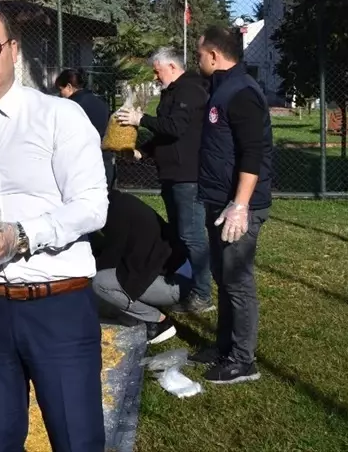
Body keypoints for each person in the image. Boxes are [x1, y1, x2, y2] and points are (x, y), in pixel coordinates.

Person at [0, 0, 109, 452]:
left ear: (12, 50)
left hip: (57, 304)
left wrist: (22, 235)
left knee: (77, 440)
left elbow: (92, 206)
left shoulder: (60, 117)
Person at [190, 25, 273, 385]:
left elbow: (252, 153)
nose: (197, 60)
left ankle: (243, 359)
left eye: (199, 54)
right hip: (216, 200)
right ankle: (225, 346)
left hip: (239, 206)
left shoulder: (241, 92)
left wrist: (240, 205)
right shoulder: (221, 89)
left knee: (237, 280)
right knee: (223, 277)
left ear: (213, 55)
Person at [114, 47, 213, 313]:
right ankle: (182, 282)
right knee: (179, 232)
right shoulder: (172, 92)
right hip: (172, 174)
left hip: (188, 175)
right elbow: (165, 134)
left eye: (157, 71)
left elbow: (176, 127)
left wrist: (140, 118)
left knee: (192, 235)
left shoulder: (189, 90)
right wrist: (142, 152)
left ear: (171, 66)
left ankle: (203, 294)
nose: (156, 77)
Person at [90, 189, 191, 345]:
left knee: (99, 282)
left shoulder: (116, 216)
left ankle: (159, 322)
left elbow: (109, 261)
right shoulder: (120, 203)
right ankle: (138, 311)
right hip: (177, 272)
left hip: (175, 284)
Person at [55, 69, 114, 187]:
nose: (60, 94)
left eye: (61, 90)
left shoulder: (71, 106)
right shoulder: (100, 102)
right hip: (104, 160)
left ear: (69, 86)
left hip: (83, 166)